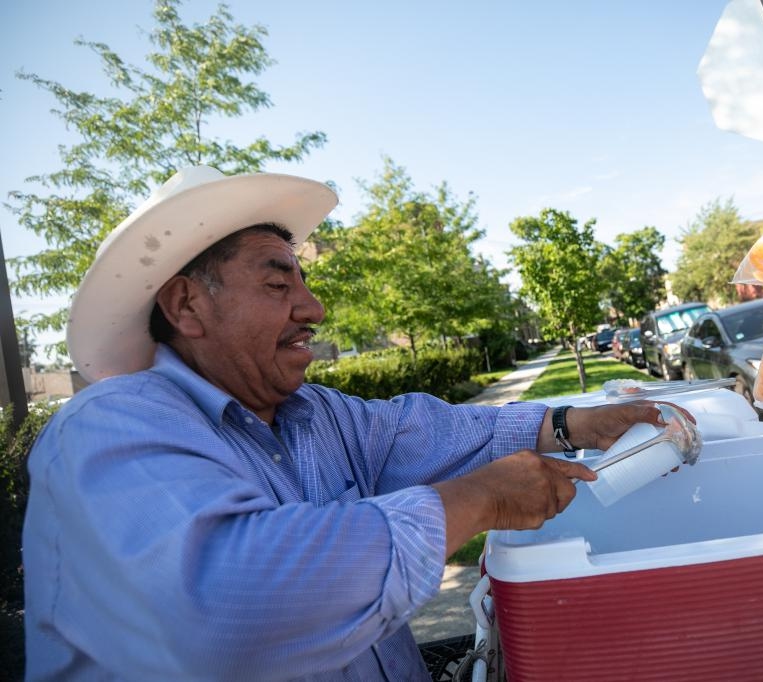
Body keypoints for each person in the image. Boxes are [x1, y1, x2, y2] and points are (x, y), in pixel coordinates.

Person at [22, 165, 673, 681]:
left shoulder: (314, 413)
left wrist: (572, 421)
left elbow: (428, 431)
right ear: (187, 304)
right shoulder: (107, 428)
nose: (314, 307)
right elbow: (225, 606)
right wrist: (478, 499)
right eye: (279, 286)